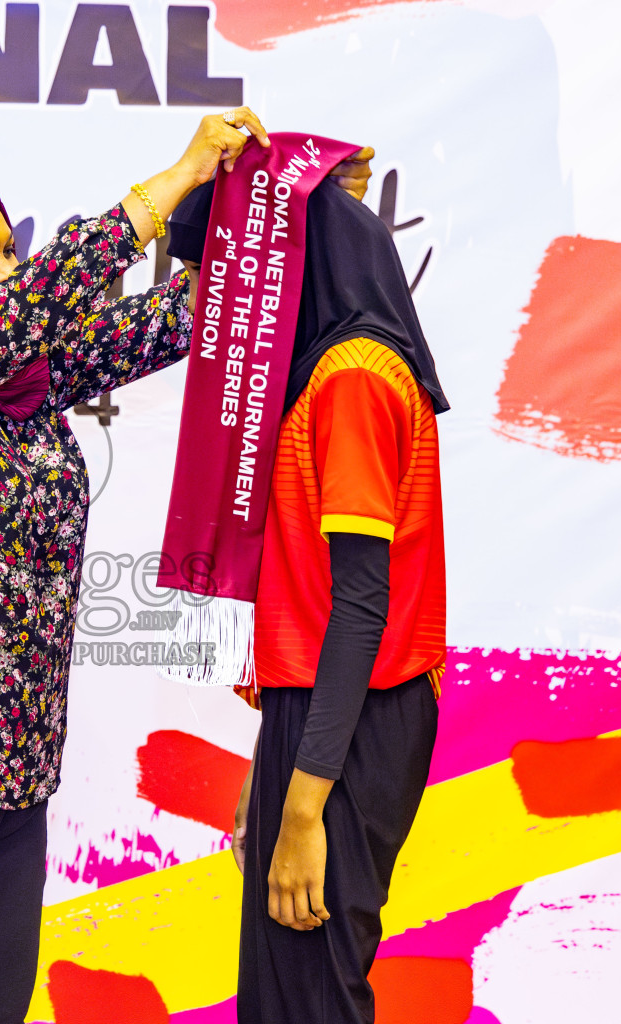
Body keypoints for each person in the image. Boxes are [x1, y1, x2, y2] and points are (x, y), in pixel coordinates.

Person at [0, 111, 372, 1023]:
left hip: (5, 777)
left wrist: (291, 222)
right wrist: (169, 184)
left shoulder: (21, 387)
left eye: (10, 254)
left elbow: (187, 317)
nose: (3, 275)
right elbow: (31, 310)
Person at [168, 176, 449, 1024]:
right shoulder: (334, 369)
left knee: (314, 996)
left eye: (217, 278)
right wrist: (276, 778)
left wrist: (301, 809)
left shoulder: (353, 379)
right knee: (289, 993)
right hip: (330, 716)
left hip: (355, 720)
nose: (205, 306)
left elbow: (362, 607)